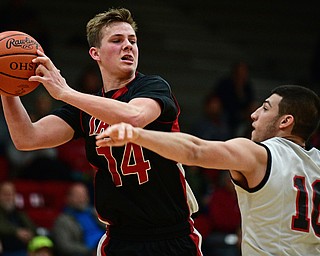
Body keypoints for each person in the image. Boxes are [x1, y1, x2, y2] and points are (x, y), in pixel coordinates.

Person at [1, 7, 202, 256]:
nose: (128, 46)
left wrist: (66, 92)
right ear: (95, 53)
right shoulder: (86, 108)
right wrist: (6, 89)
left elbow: (134, 117)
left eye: (133, 40)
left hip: (169, 235)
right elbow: (26, 138)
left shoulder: (152, 86)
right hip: (120, 239)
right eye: (117, 40)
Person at [96, 85, 320, 255]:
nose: (254, 114)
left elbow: (195, 151)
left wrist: (136, 135)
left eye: (266, 107)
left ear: (285, 121)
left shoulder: (260, 154)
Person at [51, 183, 104, 256]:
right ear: (68, 198)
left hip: (106, 246)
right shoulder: (62, 220)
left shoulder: (95, 212)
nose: (81, 199)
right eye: (77, 196)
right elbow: (65, 246)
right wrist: (90, 251)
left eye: (84, 195)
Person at [0, 181, 37, 256]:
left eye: (12, 194)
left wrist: (29, 234)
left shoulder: (19, 212)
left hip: (25, 250)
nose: (9, 197)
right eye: (5, 194)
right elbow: (2, 226)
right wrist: (16, 232)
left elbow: (32, 227)